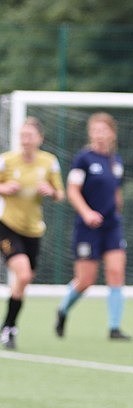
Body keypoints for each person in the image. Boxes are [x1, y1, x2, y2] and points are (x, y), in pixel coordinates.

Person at [56, 112, 131, 341]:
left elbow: (116, 190)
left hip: (111, 226)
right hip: (87, 228)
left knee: (116, 272)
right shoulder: (83, 159)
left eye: (103, 130)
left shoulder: (115, 160)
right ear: (90, 133)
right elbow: (72, 190)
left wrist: (117, 209)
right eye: (95, 130)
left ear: (111, 133)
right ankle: (62, 310)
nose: (99, 135)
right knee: (86, 280)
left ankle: (114, 328)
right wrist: (87, 212)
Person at [0, 117, 66, 350]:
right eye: (22, 136)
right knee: (24, 275)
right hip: (7, 226)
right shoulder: (7, 161)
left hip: (33, 231)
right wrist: (4, 188)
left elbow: (61, 195)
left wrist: (51, 191)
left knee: (23, 281)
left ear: (40, 138)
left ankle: (8, 325)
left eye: (30, 136)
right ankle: (9, 328)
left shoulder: (49, 162)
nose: (25, 140)